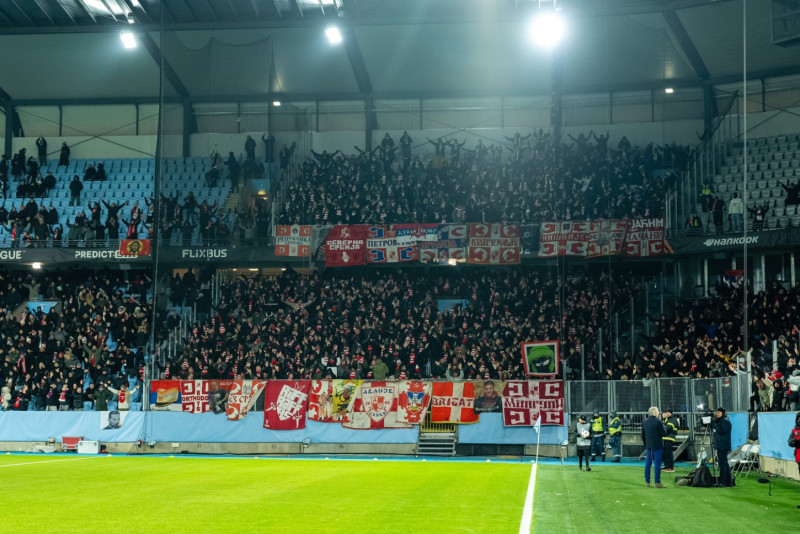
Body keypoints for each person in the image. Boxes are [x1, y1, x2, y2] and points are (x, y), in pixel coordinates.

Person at [642, 406, 666, 488]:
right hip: (657, 445)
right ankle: (657, 482)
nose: (658, 413)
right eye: (658, 411)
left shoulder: (645, 422)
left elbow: (642, 436)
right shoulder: (658, 421)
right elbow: (663, 433)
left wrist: (646, 445)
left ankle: (647, 482)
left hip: (649, 446)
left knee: (648, 464)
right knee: (657, 464)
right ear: (655, 413)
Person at [710, 407, 732, 487]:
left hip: (723, 445)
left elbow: (721, 431)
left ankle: (723, 481)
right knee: (724, 463)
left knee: (722, 464)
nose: (717, 414)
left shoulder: (725, 421)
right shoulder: (721, 421)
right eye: (716, 412)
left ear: (723, 413)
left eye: (718, 412)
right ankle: (728, 481)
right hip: (721, 445)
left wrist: (714, 423)